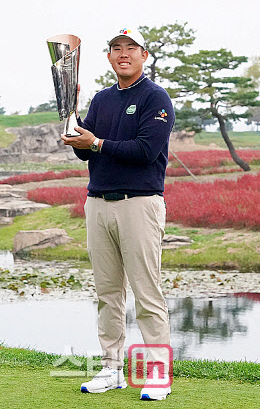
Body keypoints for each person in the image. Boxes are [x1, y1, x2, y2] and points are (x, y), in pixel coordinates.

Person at [61, 26, 174, 401]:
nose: (123, 53)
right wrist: (72, 120)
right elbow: (84, 150)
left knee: (147, 292)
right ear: (108, 57)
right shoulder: (102, 99)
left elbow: (144, 151)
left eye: (131, 48)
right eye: (115, 48)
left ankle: (158, 374)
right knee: (107, 293)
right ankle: (112, 369)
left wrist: (95, 142)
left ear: (144, 55)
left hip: (139, 204)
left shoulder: (155, 97)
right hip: (98, 203)